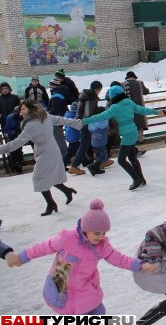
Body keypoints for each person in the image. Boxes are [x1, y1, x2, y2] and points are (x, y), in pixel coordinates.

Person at [5, 199, 154, 314]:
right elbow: (43, 247)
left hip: (86, 289)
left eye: (104, 233)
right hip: (62, 288)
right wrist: (21, 257)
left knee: (99, 313)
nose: (100, 237)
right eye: (96, 233)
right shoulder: (67, 238)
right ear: (86, 229)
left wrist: (139, 265)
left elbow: (118, 258)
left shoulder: (102, 246)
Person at [0, 99, 79, 216]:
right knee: (50, 176)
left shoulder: (31, 125)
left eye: (23, 109)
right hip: (51, 149)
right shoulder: (45, 116)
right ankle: (67, 191)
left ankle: (51, 203)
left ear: (31, 109)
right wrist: (76, 122)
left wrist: (1, 149)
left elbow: (18, 142)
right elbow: (60, 119)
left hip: (46, 152)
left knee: (39, 178)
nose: (21, 112)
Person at [83, 85, 160, 189]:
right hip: (133, 131)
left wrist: (84, 121)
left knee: (121, 160)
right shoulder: (129, 102)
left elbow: (100, 116)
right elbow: (142, 110)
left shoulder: (114, 107)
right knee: (133, 158)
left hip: (127, 134)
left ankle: (136, 179)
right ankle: (141, 179)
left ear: (113, 96)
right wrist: (156, 112)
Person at [68, 80, 102, 176]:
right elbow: (88, 113)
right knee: (86, 144)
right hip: (86, 123)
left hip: (81, 121)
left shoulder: (84, 94)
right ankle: (74, 166)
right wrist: (99, 110)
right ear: (97, 89)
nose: (99, 92)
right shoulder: (92, 96)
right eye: (99, 90)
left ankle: (101, 160)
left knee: (88, 143)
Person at [124, 71, 150, 142]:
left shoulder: (123, 84)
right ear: (134, 77)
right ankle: (141, 138)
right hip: (139, 106)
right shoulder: (139, 83)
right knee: (140, 123)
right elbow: (146, 91)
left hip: (127, 107)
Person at [86, 107, 109, 176]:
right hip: (101, 140)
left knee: (98, 154)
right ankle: (92, 166)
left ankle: (96, 169)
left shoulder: (92, 120)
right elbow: (106, 125)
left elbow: (89, 129)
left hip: (94, 140)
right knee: (103, 155)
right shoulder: (103, 119)